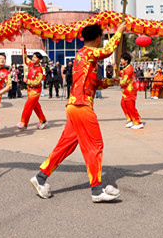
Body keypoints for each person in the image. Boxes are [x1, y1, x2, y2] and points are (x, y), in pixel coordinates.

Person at [30, 21, 125, 203]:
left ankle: (40, 177)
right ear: (98, 38)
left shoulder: (83, 57)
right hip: (82, 107)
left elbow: (93, 84)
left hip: (74, 107)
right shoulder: (88, 52)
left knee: (65, 146)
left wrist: (109, 82)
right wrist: (119, 32)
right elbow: (107, 51)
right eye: (101, 38)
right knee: (95, 146)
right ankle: (97, 190)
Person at [17, 46, 47, 130]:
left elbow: (37, 82)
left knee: (28, 106)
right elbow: (25, 58)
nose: (33, 58)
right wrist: (23, 48)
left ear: (39, 59)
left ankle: (23, 123)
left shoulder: (40, 70)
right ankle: (43, 120)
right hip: (29, 90)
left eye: (35, 57)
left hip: (36, 91)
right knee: (36, 107)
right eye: (33, 57)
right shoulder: (30, 64)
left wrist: (27, 81)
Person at [119, 52, 143, 129]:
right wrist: (115, 69)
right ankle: (131, 120)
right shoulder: (125, 68)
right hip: (125, 91)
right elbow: (120, 73)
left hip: (130, 91)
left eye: (122, 59)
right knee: (123, 104)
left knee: (131, 106)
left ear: (126, 61)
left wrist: (117, 82)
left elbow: (125, 82)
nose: (121, 60)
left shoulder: (129, 69)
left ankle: (138, 122)